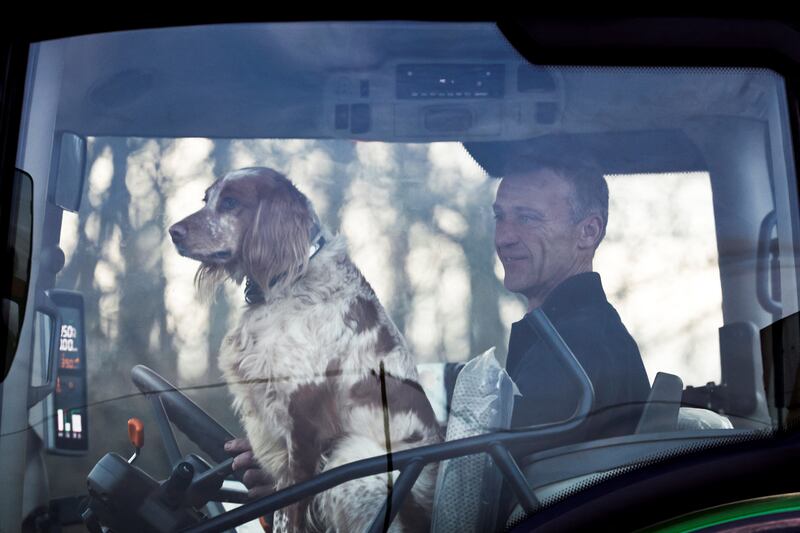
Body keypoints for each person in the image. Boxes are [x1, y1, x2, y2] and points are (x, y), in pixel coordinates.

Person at [493, 149, 650, 436]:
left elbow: (489, 474)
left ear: (588, 232)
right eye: (499, 216)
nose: (503, 237)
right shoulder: (583, 333)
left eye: (527, 218)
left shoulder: (574, 347)